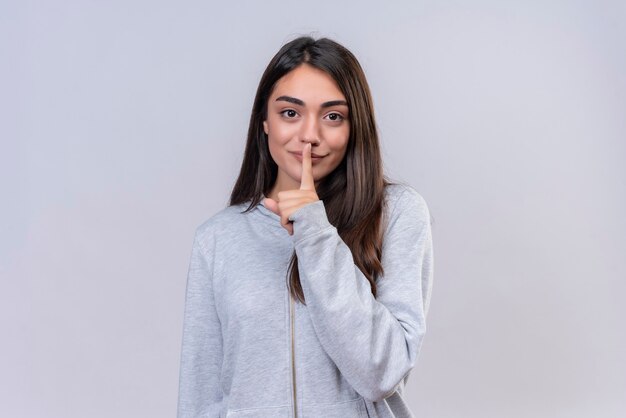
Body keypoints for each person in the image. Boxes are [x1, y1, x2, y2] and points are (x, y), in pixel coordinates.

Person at [177, 36, 434, 418]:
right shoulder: (218, 238)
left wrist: (314, 232)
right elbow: (202, 395)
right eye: (290, 113)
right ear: (264, 121)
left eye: (333, 116)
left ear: (354, 127)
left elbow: (381, 372)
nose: (309, 135)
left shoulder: (395, 213)